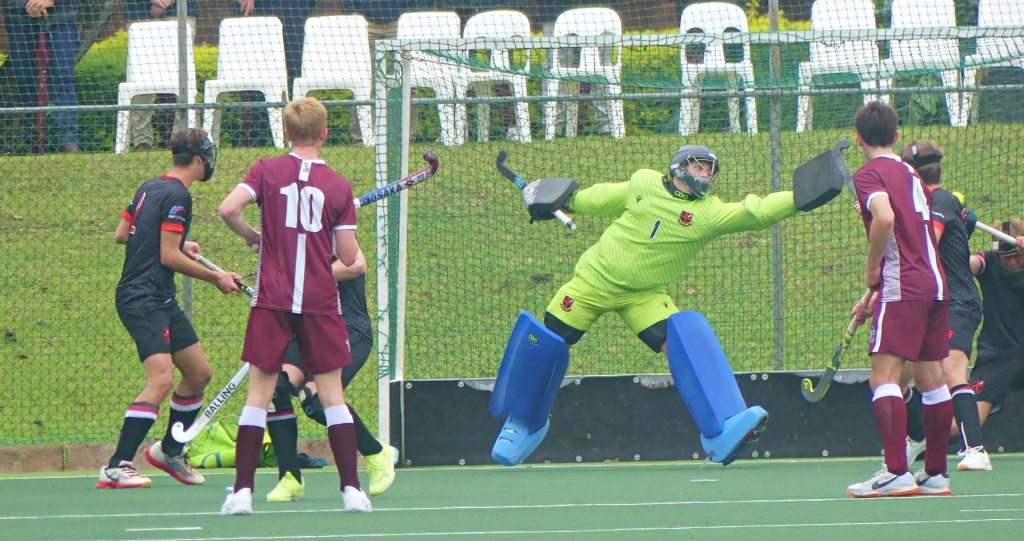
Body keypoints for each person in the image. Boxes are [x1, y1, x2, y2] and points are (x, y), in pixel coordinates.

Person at [488, 141, 836, 469]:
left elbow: (756, 211)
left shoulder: (709, 214)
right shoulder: (643, 183)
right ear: (678, 167)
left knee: (682, 338)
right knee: (548, 342)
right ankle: (523, 423)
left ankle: (723, 426)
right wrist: (563, 199)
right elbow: (601, 197)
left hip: (645, 295)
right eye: (699, 167)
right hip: (593, 281)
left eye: (708, 171)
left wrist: (800, 197)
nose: (704, 175)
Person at [218, 96, 371, 515]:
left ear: (285, 132)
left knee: (258, 395)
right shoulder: (338, 185)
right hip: (320, 303)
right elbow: (350, 254)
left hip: (272, 300)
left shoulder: (265, 170)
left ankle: (242, 493)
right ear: (324, 134)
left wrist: (253, 236)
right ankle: (352, 491)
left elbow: (228, 208)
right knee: (333, 395)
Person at [98, 127, 243, 489]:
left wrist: (183, 241)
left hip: (159, 298)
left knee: (198, 373)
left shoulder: (151, 186)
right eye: (208, 156)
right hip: (142, 299)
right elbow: (167, 255)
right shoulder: (179, 194)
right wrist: (218, 277)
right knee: (161, 378)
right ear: (200, 159)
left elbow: (122, 234)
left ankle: (170, 451)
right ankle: (117, 465)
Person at [845, 101, 955, 498]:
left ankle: (896, 472)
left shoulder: (869, 173)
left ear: (859, 139)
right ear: (896, 136)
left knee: (885, 377)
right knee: (932, 379)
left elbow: (886, 219)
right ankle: (937, 474)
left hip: (901, 285)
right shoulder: (911, 171)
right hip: (934, 284)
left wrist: (873, 268)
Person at [263, 247, 398, 502]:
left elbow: (355, 265)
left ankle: (376, 453)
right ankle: (289, 478)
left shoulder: (331, 222)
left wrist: (304, 278)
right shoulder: (284, 224)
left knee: (314, 400)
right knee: (276, 389)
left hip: (345, 327)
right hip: (302, 330)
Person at [894, 141, 990, 472]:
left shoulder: (937, 201)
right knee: (902, 376)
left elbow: (925, 246)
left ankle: (974, 449)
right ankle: (917, 437)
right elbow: (964, 222)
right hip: (929, 301)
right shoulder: (934, 203)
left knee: (951, 370)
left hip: (957, 301)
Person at [966, 220, 1024, 434]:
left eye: (1016, 257)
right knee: (960, 426)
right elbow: (966, 264)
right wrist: (955, 235)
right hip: (996, 356)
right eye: (1005, 258)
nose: (1010, 263)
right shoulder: (989, 262)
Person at [3, 0, 82, 154]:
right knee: (25, 82)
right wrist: (27, 4)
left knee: (62, 78)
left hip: (63, 17)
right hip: (18, 18)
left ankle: (68, 143)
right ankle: (32, 144)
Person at [348, 1, 431, 143]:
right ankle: (361, 136)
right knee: (364, 80)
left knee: (408, 78)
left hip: (401, 21)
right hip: (366, 22)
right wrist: (350, 10)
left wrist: (415, 13)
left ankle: (407, 135)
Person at [236, 0, 316, 147]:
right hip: (259, 11)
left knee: (296, 76)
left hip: (295, 10)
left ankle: (300, 138)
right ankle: (256, 140)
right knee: (258, 75)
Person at [123, 0, 200, 152]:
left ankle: (184, 139)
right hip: (139, 12)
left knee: (183, 76)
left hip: (181, 11)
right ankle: (142, 142)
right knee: (140, 77)